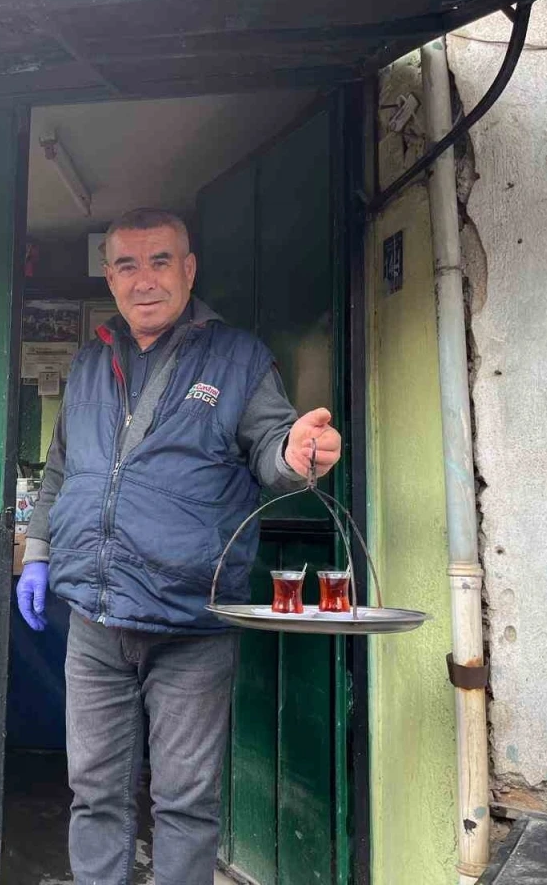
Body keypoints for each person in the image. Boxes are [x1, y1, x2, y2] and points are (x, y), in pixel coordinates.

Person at [17, 208, 341, 885]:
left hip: (192, 622)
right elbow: (61, 468)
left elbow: (271, 449)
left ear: (189, 270)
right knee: (94, 793)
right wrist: (38, 553)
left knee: (186, 802)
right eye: (127, 265)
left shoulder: (240, 358)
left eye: (160, 261)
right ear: (109, 278)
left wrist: (297, 455)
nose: (144, 280)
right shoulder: (89, 362)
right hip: (95, 621)